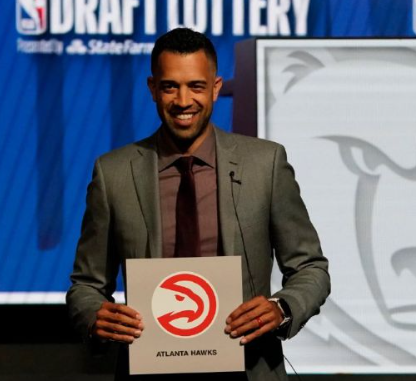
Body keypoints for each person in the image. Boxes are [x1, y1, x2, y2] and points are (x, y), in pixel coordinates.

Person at [67, 28, 330, 381]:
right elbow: (86, 285)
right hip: (149, 369)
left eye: (196, 86)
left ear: (216, 88)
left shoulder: (264, 164)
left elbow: (311, 267)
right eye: (169, 86)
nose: (183, 100)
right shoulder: (113, 173)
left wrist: (281, 308)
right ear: (152, 89)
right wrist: (94, 316)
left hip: (247, 368)